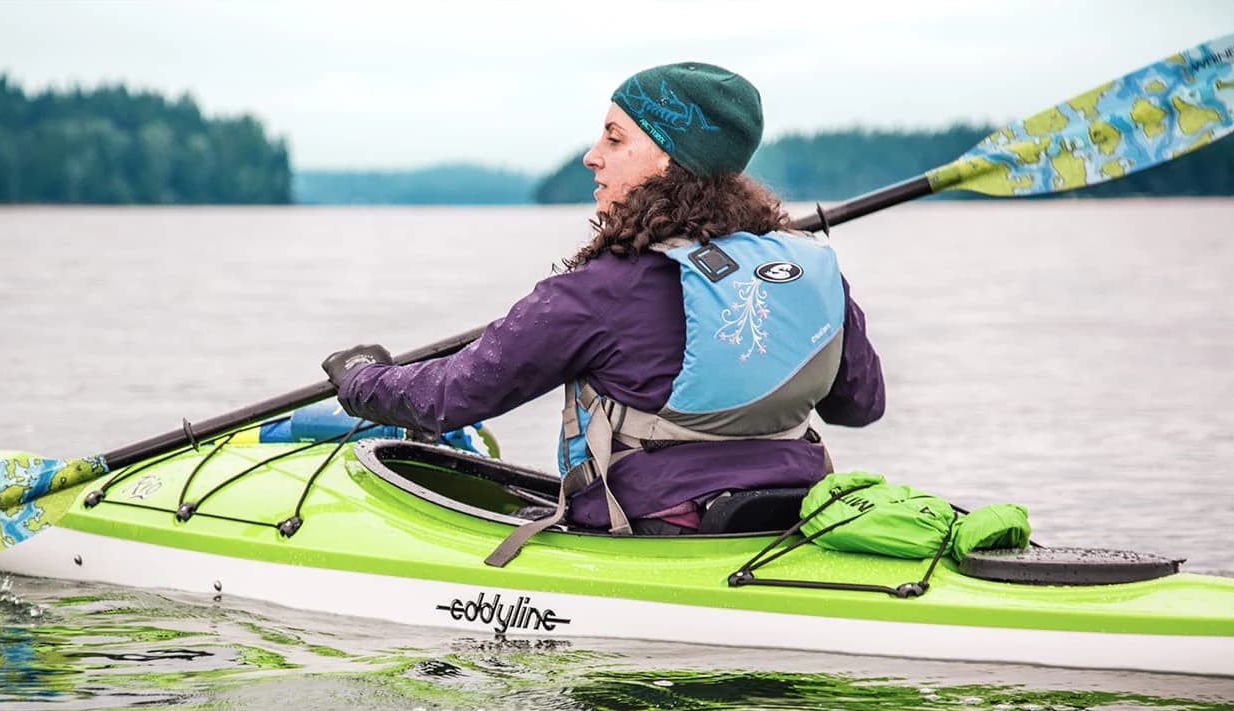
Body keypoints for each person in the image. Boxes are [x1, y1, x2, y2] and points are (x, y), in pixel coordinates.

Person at [322, 62, 884, 546]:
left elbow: (450, 397)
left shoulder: (601, 290)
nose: (593, 157)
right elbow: (860, 405)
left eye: (614, 139)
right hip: (786, 523)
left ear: (668, 161)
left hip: (654, 534)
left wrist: (363, 379)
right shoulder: (810, 270)